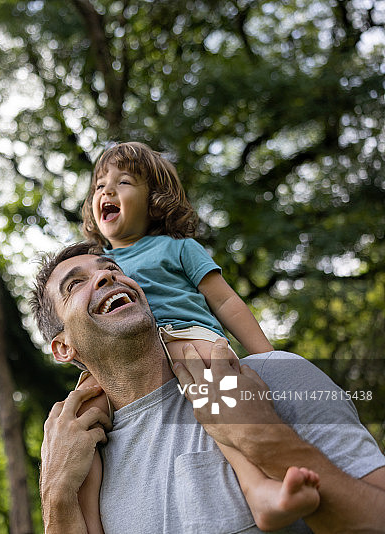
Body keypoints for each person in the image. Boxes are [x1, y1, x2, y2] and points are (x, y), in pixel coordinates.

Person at [32, 243, 385, 533]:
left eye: (111, 267)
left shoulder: (273, 377)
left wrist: (269, 441)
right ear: (63, 347)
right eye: (75, 284)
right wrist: (55, 496)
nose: (107, 275)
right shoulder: (81, 455)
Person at [74, 141, 317, 532]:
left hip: (188, 337)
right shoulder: (96, 266)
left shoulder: (178, 247)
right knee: (80, 424)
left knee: (220, 407)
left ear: (154, 199)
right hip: (126, 356)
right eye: (99, 186)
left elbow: (226, 303)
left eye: (123, 182)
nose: (107, 191)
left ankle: (259, 491)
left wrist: (268, 359)